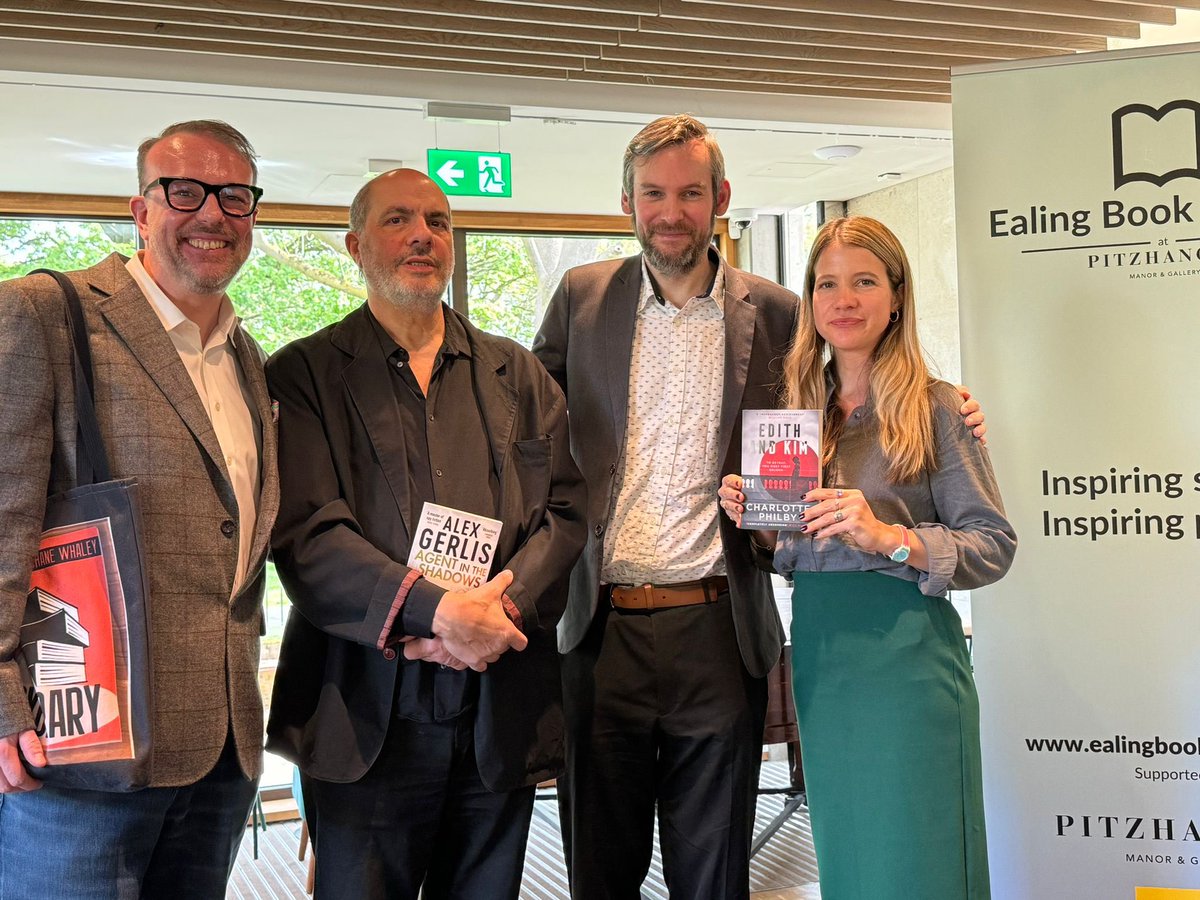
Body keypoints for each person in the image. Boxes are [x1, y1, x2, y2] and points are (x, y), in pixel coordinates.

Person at [533, 115, 987, 898]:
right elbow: (527, 425)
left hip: (719, 623)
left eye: (689, 192)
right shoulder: (580, 298)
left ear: (721, 198)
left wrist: (957, 412)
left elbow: (852, 383)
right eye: (653, 194)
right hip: (598, 626)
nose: (670, 211)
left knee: (713, 873)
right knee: (597, 868)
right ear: (626, 202)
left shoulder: (780, 312)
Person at [265, 168, 587, 900]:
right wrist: (438, 612)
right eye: (399, 220)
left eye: (438, 222)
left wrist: (490, 618)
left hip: (494, 704)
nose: (423, 236)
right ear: (355, 245)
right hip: (367, 707)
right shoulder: (303, 376)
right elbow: (310, 534)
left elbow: (565, 514)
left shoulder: (521, 375)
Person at [0, 120, 278, 896]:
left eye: (236, 195)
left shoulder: (245, 357)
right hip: (77, 751)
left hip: (218, 749)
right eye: (184, 191)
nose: (213, 214)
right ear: (141, 209)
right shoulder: (45, 315)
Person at [719, 215, 1017, 899]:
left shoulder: (939, 409)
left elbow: (994, 546)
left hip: (910, 661)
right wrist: (758, 522)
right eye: (827, 283)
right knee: (851, 863)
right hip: (823, 660)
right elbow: (789, 554)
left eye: (863, 281)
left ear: (896, 297)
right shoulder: (798, 413)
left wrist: (890, 536)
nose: (843, 299)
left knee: (920, 860)